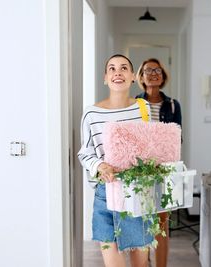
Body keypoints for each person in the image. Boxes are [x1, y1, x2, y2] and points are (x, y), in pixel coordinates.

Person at [78, 54, 152, 267]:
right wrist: (99, 165)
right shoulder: (91, 113)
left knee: (141, 264)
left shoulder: (143, 108)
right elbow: (85, 153)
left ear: (132, 77)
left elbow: (152, 147)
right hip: (106, 194)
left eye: (123, 68)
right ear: (105, 77)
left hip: (138, 191)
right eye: (111, 68)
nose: (117, 72)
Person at [135, 58, 182, 267]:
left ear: (163, 76)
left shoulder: (173, 105)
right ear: (141, 76)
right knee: (143, 223)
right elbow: (130, 137)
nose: (153, 73)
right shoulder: (134, 103)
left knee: (162, 224)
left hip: (164, 170)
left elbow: (176, 139)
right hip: (139, 170)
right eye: (148, 70)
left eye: (157, 70)